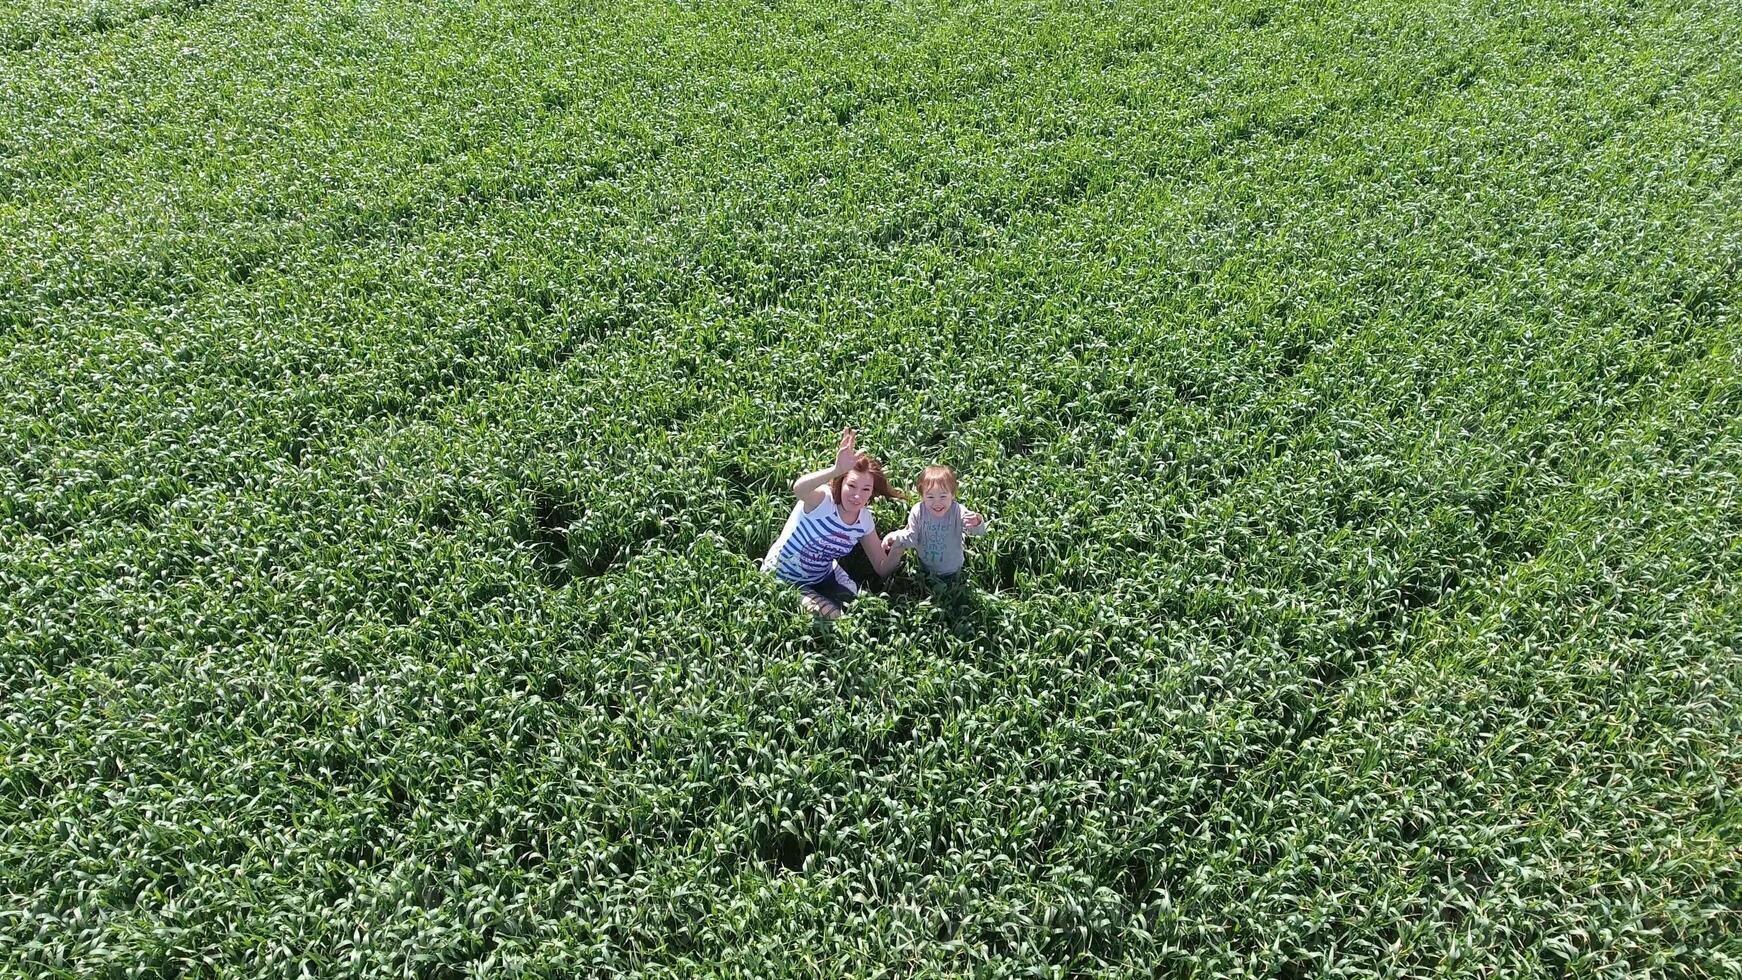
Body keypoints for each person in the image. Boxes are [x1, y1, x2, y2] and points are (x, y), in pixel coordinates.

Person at [762, 428, 905, 619]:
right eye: (851, 486)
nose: (857, 496)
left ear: (872, 492)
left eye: (865, 489)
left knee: (864, 609)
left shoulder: (863, 521)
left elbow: (881, 567)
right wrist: (835, 470)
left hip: (824, 575)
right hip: (782, 577)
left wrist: (900, 546)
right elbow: (798, 489)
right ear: (841, 483)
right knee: (834, 617)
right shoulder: (823, 500)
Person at [884, 464, 987, 582]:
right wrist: (895, 536)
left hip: (953, 569)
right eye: (930, 497)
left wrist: (976, 522)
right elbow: (912, 537)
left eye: (943, 496)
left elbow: (979, 532)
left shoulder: (957, 511)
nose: (937, 503)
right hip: (925, 569)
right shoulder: (918, 511)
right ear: (922, 496)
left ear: (952, 495)